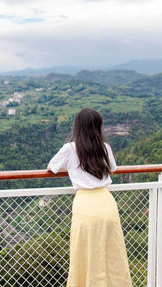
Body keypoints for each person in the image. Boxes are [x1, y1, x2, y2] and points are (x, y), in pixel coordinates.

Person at [48, 107, 132, 287]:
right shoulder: (105, 147)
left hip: (86, 205)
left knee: (85, 254)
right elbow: (113, 168)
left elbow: (52, 167)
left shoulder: (69, 148)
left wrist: (73, 168)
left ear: (77, 127)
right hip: (106, 202)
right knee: (112, 254)